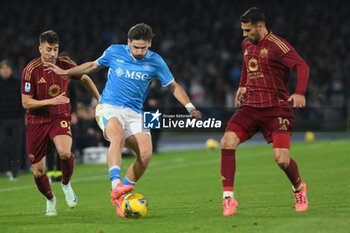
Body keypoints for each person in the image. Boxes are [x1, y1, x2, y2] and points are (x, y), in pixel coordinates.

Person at [45, 23, 202, 218]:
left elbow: (174, 86)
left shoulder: (156, 61)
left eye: (143, 47)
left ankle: (122, 194)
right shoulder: (114, 51)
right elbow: (93, 65)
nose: (139, 51)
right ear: (128, 42)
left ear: (150, 44)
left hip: (135, 112)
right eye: (135, 47)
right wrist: (66, 72)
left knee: (145, 155)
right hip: (109, 107)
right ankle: (115, 185)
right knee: (117, 136)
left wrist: (190, 107)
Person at [220, 7, 310, 216]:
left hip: (277, 108)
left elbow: (302, 66)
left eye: (247, 30)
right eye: (242, 30)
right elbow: (246, 65)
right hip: (251, 107)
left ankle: (298, 187)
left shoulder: (278, 46)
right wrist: (242, 85)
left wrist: (300, 93)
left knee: (281, 159)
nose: (244, 34)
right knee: (227, 141)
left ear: (259, 26)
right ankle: (228, 198)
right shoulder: (246, 44)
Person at [21, 30, 100, 216]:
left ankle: (66, 184)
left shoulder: (65, 64)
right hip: (36, 120)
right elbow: (26, 102)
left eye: (55, 49)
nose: (52, 53)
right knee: (38, 172)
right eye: (48, 49)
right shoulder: (30, 70)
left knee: (65, 152)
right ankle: (50, 199)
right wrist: (50, 101)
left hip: (60, 117)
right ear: (40, 49)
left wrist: (100, 99)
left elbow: (86, 78)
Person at [0, 59, 25, 180]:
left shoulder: (17, 83)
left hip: (17, 119)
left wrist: (24, 116)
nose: (4, 70)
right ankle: (10, 165)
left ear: (10, 69)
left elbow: (24, 100)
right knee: (2, 144)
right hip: (2, 120)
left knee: (17, 145)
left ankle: (14, 171)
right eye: (2, 68)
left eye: (6, 68)